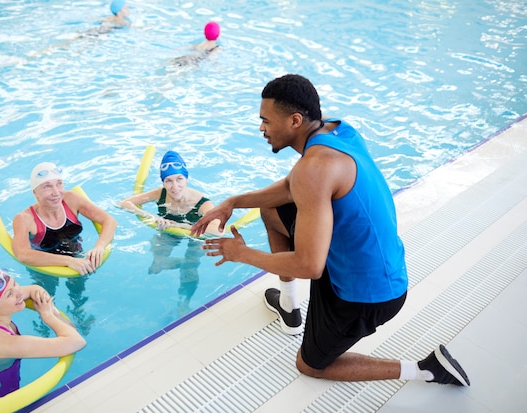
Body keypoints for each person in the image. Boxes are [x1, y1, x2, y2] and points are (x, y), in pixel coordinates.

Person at [191, 74, 470, 386]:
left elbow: (309, 265)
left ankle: (427, 369)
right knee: (270, 210)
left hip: (366, 294)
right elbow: (290, 187)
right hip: (368, 259)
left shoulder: (313, 170)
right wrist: (232, 202)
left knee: (311, 365)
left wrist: (242, 254)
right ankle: (288, 306)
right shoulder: (337, 131)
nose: (261, 129)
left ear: (295, 120)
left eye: (266, 121)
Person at [0, 269, 86, 411]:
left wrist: (58, 316)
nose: (19, 292)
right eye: (10, 294)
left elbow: (35, 289)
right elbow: (77, 341)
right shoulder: (2, 342)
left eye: (15, 284)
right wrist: (48, 316)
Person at [12, 162, 117, 276]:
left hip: (75, 252)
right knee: (45, 291)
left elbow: (109, 220)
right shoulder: (24, 219)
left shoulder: (71, 199)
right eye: (47, 186)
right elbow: (23, 255)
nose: (56, 192)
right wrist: (69, 261)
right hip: (43, 264)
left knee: (78, 287)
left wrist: (99, 247)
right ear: (35, 192)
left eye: (59, 184)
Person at [119, 150, 221, 236]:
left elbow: (218, 231)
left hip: (196, 235)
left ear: (187, 179)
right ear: (163, 182)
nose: (175, 187)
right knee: (159, 256)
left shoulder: (203, 203)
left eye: (179, 179)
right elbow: (123, 203)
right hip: (168, 229)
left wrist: (182, 226)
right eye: (169, 181)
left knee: (192, 257)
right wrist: (152, 217)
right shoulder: (160, 193)